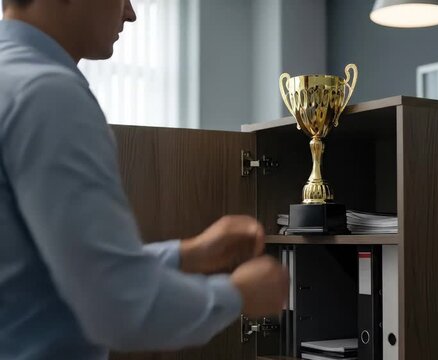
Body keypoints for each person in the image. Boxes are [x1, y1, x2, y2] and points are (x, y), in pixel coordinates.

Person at [0, 0, 290, 359]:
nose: (130, 12)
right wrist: (239, 295)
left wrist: (186, 255)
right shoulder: (48, 95)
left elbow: (42, 275)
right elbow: (115, 305)